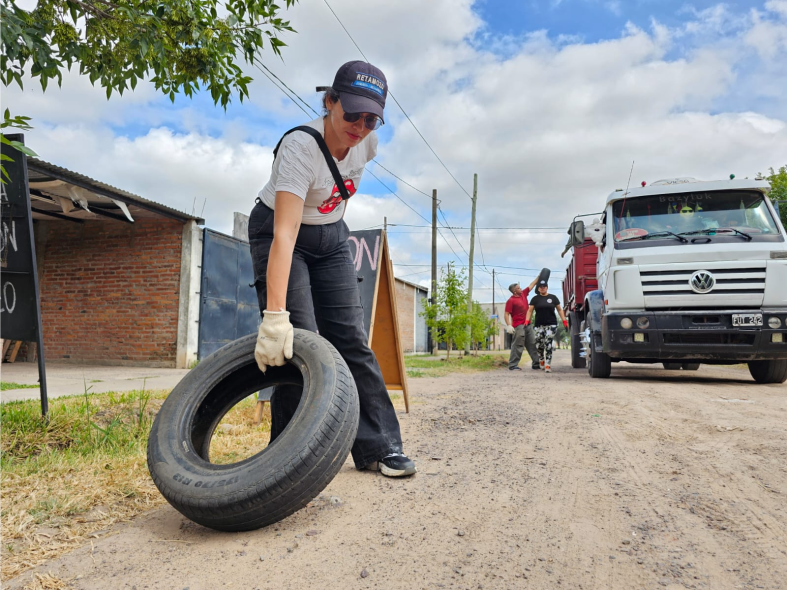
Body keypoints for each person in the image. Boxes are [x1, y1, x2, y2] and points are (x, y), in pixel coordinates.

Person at [248, 61, 415, 478]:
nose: (360, 125)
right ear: (329, 101)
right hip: (282, 234)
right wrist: (273, 317)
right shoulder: (300, 148)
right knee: (299, 343)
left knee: (351, 340)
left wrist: (331, 228)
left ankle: (380, 447)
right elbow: (284, 236)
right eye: (352, 113)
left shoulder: (368, 144)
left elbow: (337, 196)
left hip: (332, 238)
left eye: (371, 118)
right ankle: (285, 459)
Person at [526, 279, 568, 373]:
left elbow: (560, 310)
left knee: (548, 344)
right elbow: (530, 311)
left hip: (551, 324)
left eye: (544, 287)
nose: (542, 288)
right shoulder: (535, 299)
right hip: (539, 325)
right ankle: (541, 359)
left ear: (547, 287)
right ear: (538, 289)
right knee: (538, 344)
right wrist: (527, 320)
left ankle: (548, 365)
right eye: (540, 287)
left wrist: (564, 321)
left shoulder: (553, 298)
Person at [504, 278, 540, 371]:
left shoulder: (523, 294)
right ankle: (513, 365)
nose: (521, 289)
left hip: (528, 323)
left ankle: (536, 363)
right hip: (518, 325)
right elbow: (506, 314)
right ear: (514, 291)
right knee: (518, 345)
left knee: (532, 343)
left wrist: (539, 276)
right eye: (519, 288)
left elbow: (531, 285)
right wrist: (508, 325)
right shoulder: (510, 301)